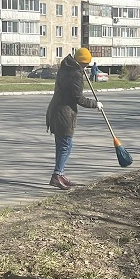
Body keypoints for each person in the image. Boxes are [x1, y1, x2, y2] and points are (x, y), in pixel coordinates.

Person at [45, 47, 103, 189]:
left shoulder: (66, 67)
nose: (87, 67)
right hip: (64, 114)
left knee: (62, 145)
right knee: (65, 145)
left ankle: (60, 174)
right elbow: (78, 98)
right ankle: (56, 175)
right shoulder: (76, 74)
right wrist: (96, 104)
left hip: (56, 110)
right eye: (86, 65)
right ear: (82, 63)